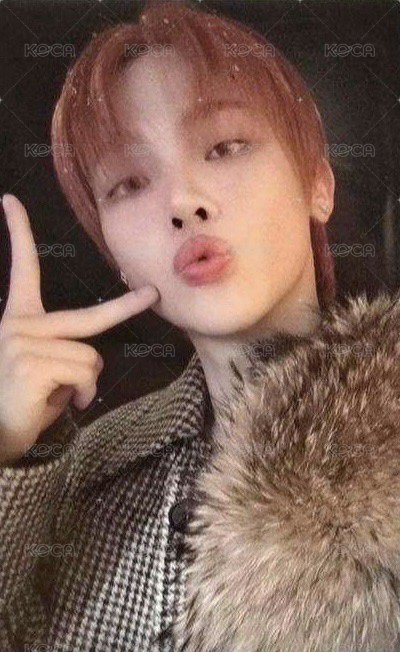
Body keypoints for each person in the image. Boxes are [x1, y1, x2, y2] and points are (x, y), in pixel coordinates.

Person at [1, 1, 400, 650]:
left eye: (224, 146)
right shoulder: (79, 472)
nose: (183, 202)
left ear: (317, 183)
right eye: (129, 183)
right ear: (115, 256)